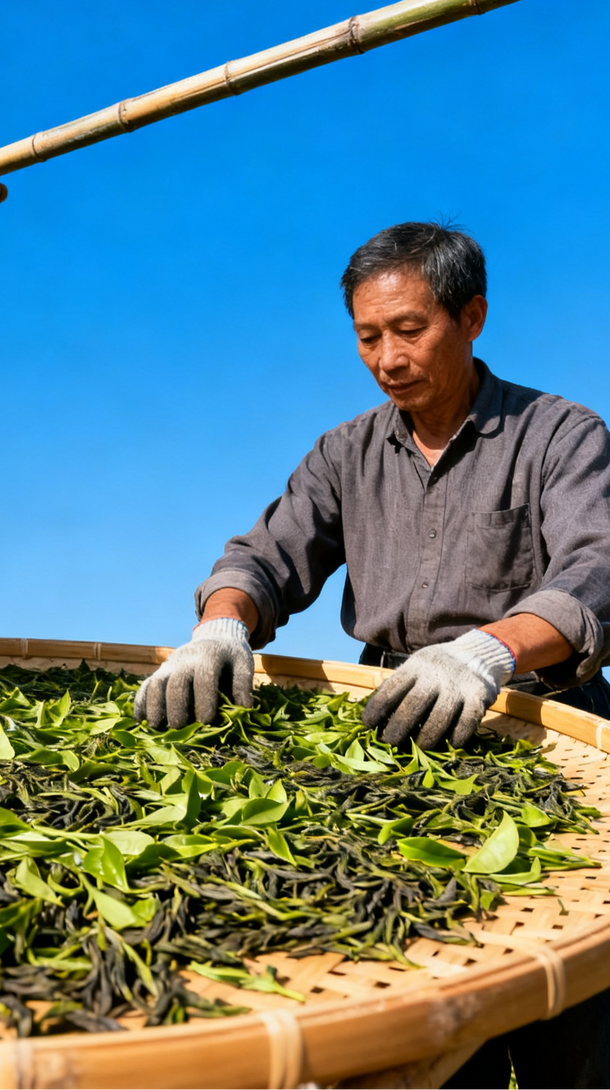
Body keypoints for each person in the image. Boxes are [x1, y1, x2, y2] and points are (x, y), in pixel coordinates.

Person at [133, 222, 610, 1090]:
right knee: (429, 1006)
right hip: (402, 735)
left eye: (410, 329)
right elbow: (264, 559)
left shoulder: (559, 435)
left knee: (571, 1031)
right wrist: (222, 626)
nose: (388, 356)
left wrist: (486, 650)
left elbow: (596, 570)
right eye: (367, 336)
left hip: (547, 724)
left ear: (471, 317)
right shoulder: (345, 454)